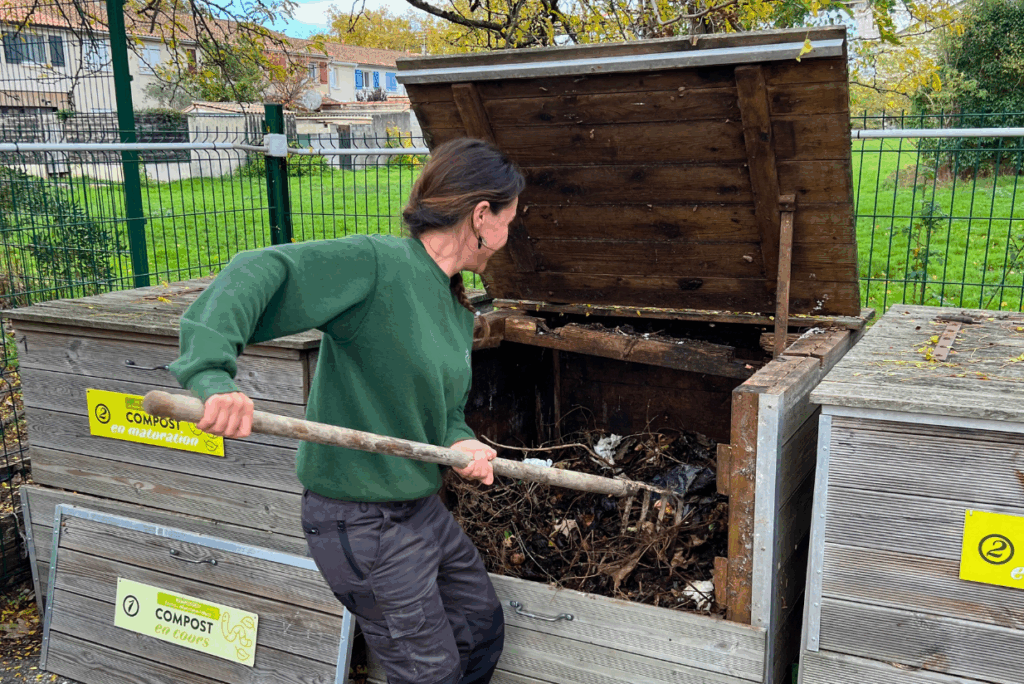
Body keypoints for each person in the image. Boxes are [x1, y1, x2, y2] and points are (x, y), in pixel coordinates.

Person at [169, 137, 526, 684]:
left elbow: (444, 412)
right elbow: (256, 270)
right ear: (482, 216)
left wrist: (460, 443)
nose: (507, 239)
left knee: (478, 629)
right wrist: (213, 377)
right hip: (360, 519)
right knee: (429, 672)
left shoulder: (457, 305)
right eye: (509, 222)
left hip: (418, 507)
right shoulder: (377, 266)